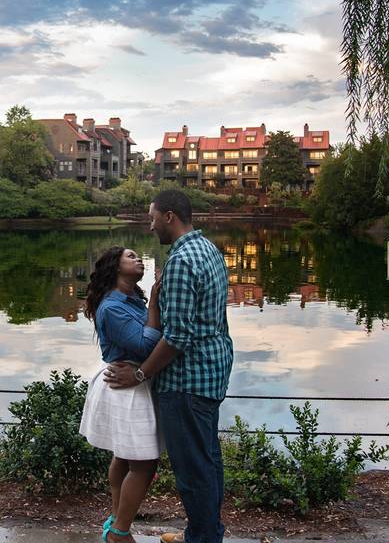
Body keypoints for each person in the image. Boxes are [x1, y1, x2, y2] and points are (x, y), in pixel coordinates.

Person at [105, 190, 234, 543]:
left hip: (187, 381)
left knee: (193, 470)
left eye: (151, 218)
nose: (149, 226)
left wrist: (141, 372)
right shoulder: (208, 250)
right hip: (212, 372)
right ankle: (205, 531)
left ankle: (202, 538)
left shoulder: (180, 261)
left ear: (169, 217)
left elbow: (177, 338)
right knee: (207, 459)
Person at [79, 246, 164, 543]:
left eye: (139, 256)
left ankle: (116, 518)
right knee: (143, 462)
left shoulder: (129, 300)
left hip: (130, 382)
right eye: (131, 256)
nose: (139, 259)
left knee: (125, 458)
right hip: (126, 385)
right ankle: (119, 533)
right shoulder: (112, 307)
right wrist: (154, 305)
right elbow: (144, 346)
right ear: (115, 267)